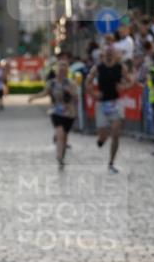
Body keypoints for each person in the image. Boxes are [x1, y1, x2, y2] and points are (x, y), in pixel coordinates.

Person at [86, 44, 129, 173]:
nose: (109, 54)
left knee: (115, 133)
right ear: (103, 54)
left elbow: (131, 80)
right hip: (102, 105)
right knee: (103, 137)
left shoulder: (121, 67)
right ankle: (101, 140)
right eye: (107, 52)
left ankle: (111, 162)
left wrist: (124, 87)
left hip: (116, 103)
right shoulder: (97, 68)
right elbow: (87, 82)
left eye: (112, 52)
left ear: (115, 54)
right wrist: (93, 94)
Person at [28, 60, 78, 169]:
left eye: (64, 70)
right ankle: (59, 156)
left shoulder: (71, 83)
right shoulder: (52, 83)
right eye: (60, 70)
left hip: (69, 113)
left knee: (65, 136)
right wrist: (34, 97)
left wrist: (71, 92)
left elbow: (77, 97)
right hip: (56, 112)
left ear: (67, 72)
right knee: (60, 134)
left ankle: (62, 157)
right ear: (56, 71)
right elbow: (45, 93)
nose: (62, 72)